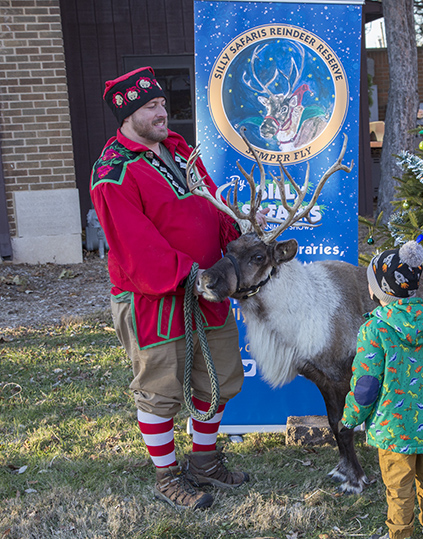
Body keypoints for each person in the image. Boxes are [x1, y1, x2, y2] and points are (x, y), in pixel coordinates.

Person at [90, 66, 249, 510]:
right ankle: (166, 476)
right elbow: (135, 246)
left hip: (208, 284)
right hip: (153, 297)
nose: (163, 113)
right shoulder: (112, 173)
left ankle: (204, 463)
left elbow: (211, 204)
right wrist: (191, 276)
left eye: (162, 104)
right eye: (151, 107)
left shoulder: (178, 151)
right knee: (160, 390)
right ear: (127, 116)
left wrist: (234, 234)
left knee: (216, 377)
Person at [340, 240, 423, 539]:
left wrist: (350, 417)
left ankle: (399, 535)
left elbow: (366, 384)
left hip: (393, 428)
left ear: (379, 289)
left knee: (399, 489)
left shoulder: (375, 329)